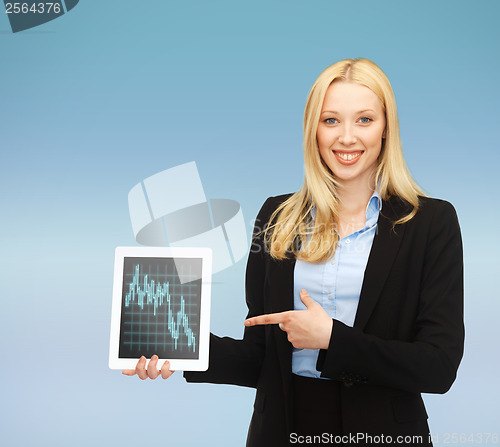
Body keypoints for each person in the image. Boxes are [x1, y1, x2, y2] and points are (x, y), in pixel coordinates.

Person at [123, 58, 464, 446]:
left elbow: (438, 367)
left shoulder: (430, 222)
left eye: (365, 120)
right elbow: (260, 357)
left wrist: (332, 338)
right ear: (313, 130)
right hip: (282, 429)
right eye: (331, 120)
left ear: (386, 129)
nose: (347, 137)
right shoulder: (276, 216)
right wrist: (182, 349)